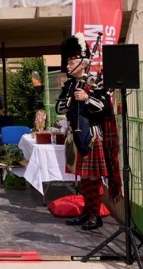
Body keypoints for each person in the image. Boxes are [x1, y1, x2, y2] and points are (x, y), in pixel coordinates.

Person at [56, 33, 119, 230]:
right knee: (84, 178)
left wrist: (86, 98)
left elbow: (105, 108)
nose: (67, 65)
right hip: (76, 134)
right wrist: (71, 100)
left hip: (92, 134)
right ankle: (86, 212)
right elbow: (59, 108)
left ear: (83, 62)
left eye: (71, 60)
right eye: (67, 60)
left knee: (93, 177)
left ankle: (95, 214)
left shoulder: (95, 81)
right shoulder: (69, 85)